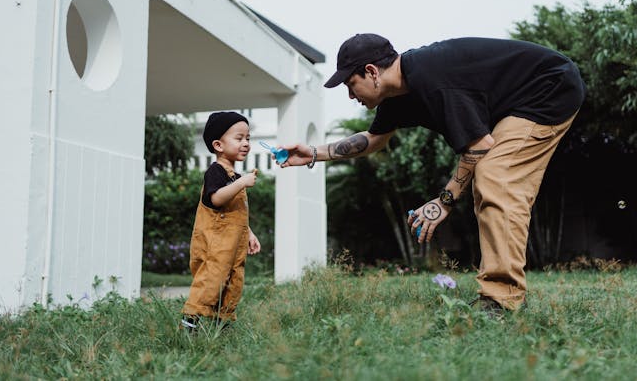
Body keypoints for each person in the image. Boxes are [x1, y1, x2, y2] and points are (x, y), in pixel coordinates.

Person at [279, 33, 585, 314]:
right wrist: (314, 153)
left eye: (350, 84)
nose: (350, 95)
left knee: (496, 177)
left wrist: (445, 201)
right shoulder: (397, 94)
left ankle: (502, 299)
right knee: (492, 180)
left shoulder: (433, 77)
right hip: (519, 101)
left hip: (549, 88)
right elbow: (374, 139)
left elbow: (479, 146)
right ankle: (502, 293)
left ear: (372, 72)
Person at [181, 111, 262, 331]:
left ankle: (221, 327)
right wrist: (242, 183)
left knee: (233, 283)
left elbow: (235, 210)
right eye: (239, 138)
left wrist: (249, 233)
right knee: (211, 281)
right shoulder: (215, 171)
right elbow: (216, 198)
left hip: (233, 244)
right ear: (218, 145)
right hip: (215, 244)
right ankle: (189, 324)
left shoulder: (234, 177)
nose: (246, 143)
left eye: (248, 138)